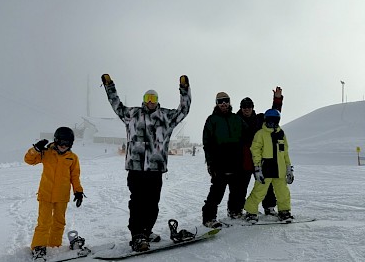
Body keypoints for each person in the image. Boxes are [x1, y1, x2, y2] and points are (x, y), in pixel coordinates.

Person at [101, 73, 191, 252]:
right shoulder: (132, 114)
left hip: (155, 168)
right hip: (136, 168)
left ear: (157, 100)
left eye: (154, 98)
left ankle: (147, 231)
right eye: (147, 98)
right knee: (137, 202)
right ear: (143, 100)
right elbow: (116, 104)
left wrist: (184, 90)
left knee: (152, 202)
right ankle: (137, 235)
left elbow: (184, 110)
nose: (150, 101)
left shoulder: (166, 117)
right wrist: (109, 86)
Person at [25, 127, 85, 261]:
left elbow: (75, 177)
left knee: (59, 222)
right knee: (44, 222)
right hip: (45, 194)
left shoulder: (72, 158)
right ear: (56, 140)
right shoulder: (46, 153)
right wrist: (35, 149)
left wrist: (78, 191)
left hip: (62, 196)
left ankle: (54, 245)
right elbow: (28, 160)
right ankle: (39, 247)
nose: (64, 146)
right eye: (62, 143)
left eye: (68, 144)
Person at [202, 92, 248, 228]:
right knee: (217, 191)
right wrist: (210, 162)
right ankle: (209, 217)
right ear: (217, 103)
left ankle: (234, 211)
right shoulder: (212, 120)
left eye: (226, 101)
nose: (224, 104)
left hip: (236, 161)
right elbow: (207, 142)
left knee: (237, 190)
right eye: (220, 101)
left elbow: (248, 134)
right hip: (219, 162)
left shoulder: (236, 119)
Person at [236, 87, 283, 217]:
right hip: (243, 160)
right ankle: (236, 210)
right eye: (244, 106)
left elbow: (274, 114)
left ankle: (269, 207)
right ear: (241, 108)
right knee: (240, 187)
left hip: (261, 158)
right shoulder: (235, 120)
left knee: (266, 185)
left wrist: (277, 99)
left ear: (252, 107)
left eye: (249, 106)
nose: (246, 109)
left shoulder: (260, 119)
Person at [244, 109, 294, 223]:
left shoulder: (281, 134)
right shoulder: (260, 134)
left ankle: (284, 211)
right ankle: (251, 212)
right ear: (265, 120)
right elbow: (255, 151)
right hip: (266, 169)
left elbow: (285, 152)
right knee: (259, 192)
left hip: (279, 170)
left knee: (283, 193)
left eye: (275, 120)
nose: (272, 123)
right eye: (269, 121)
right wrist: (257, 168)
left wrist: (288, 169)